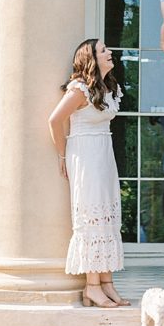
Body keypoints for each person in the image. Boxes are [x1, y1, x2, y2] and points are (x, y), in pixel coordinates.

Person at [48, 38, 129, 308]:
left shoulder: (107, 88)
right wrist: (62, 155)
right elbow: (55, 119)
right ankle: (91, 287)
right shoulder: (79, 89)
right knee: (92, 217)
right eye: (104, 50)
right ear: (92, 57)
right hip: (84, 154)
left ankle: (107, 283)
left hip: (103, 153)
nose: (110, 52)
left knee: (106, 215)